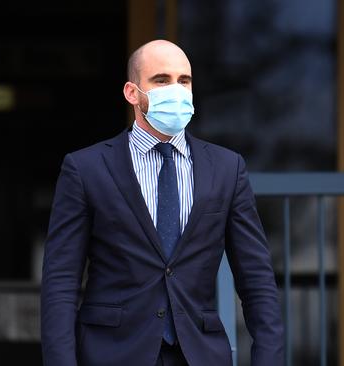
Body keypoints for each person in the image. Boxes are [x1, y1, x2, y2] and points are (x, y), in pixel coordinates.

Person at [41, 39, 283, 366]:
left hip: (199, 354)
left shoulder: (227, 168)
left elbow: (257, 281)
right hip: (111, 352)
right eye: (161, 80)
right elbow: (61, 282)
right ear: (132, 93)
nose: (176, 90)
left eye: (184, 81)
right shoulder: (85, 168)